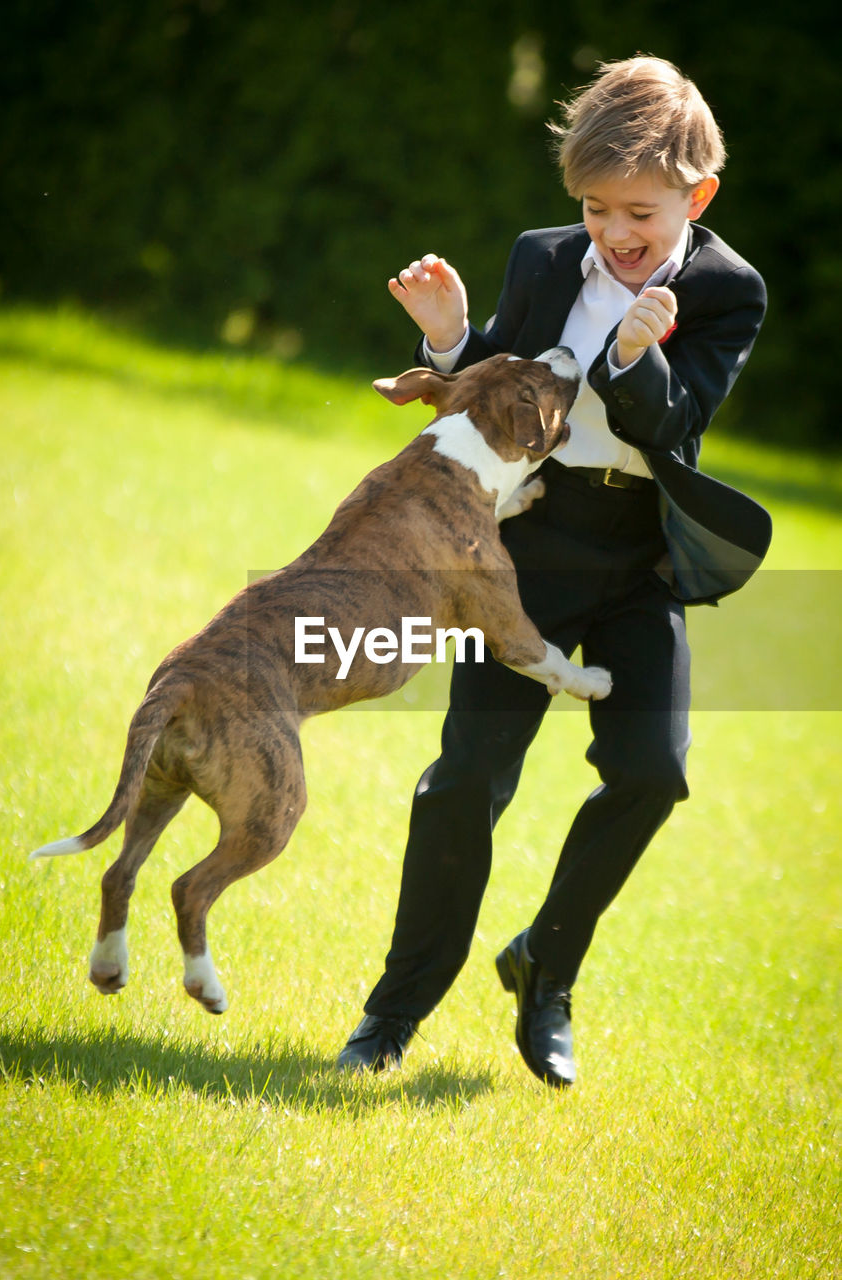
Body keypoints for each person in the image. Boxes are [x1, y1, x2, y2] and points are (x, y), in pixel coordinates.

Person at [336, 56, 769, 1086]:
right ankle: (389, 1018)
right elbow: (495, 383)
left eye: (641, 212)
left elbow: (677, 421)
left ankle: (546, 965)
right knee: (468, 783)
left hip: (635, 563)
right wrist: (449, 337)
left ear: (695, 197)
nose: (616, 232)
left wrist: (634, 352)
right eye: (594, 207)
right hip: (521, 555)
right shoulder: (542, 260)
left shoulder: (725, 292)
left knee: (653, 772)